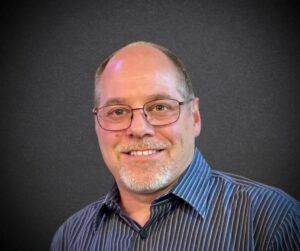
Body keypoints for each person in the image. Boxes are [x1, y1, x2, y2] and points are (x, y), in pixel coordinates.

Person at [51, 41, 300, 250]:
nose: (138, 129)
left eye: (160, 107)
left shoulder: (274, 221)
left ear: (194, 117)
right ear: (96, 124)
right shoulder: (71, 237)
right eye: (117, 111)